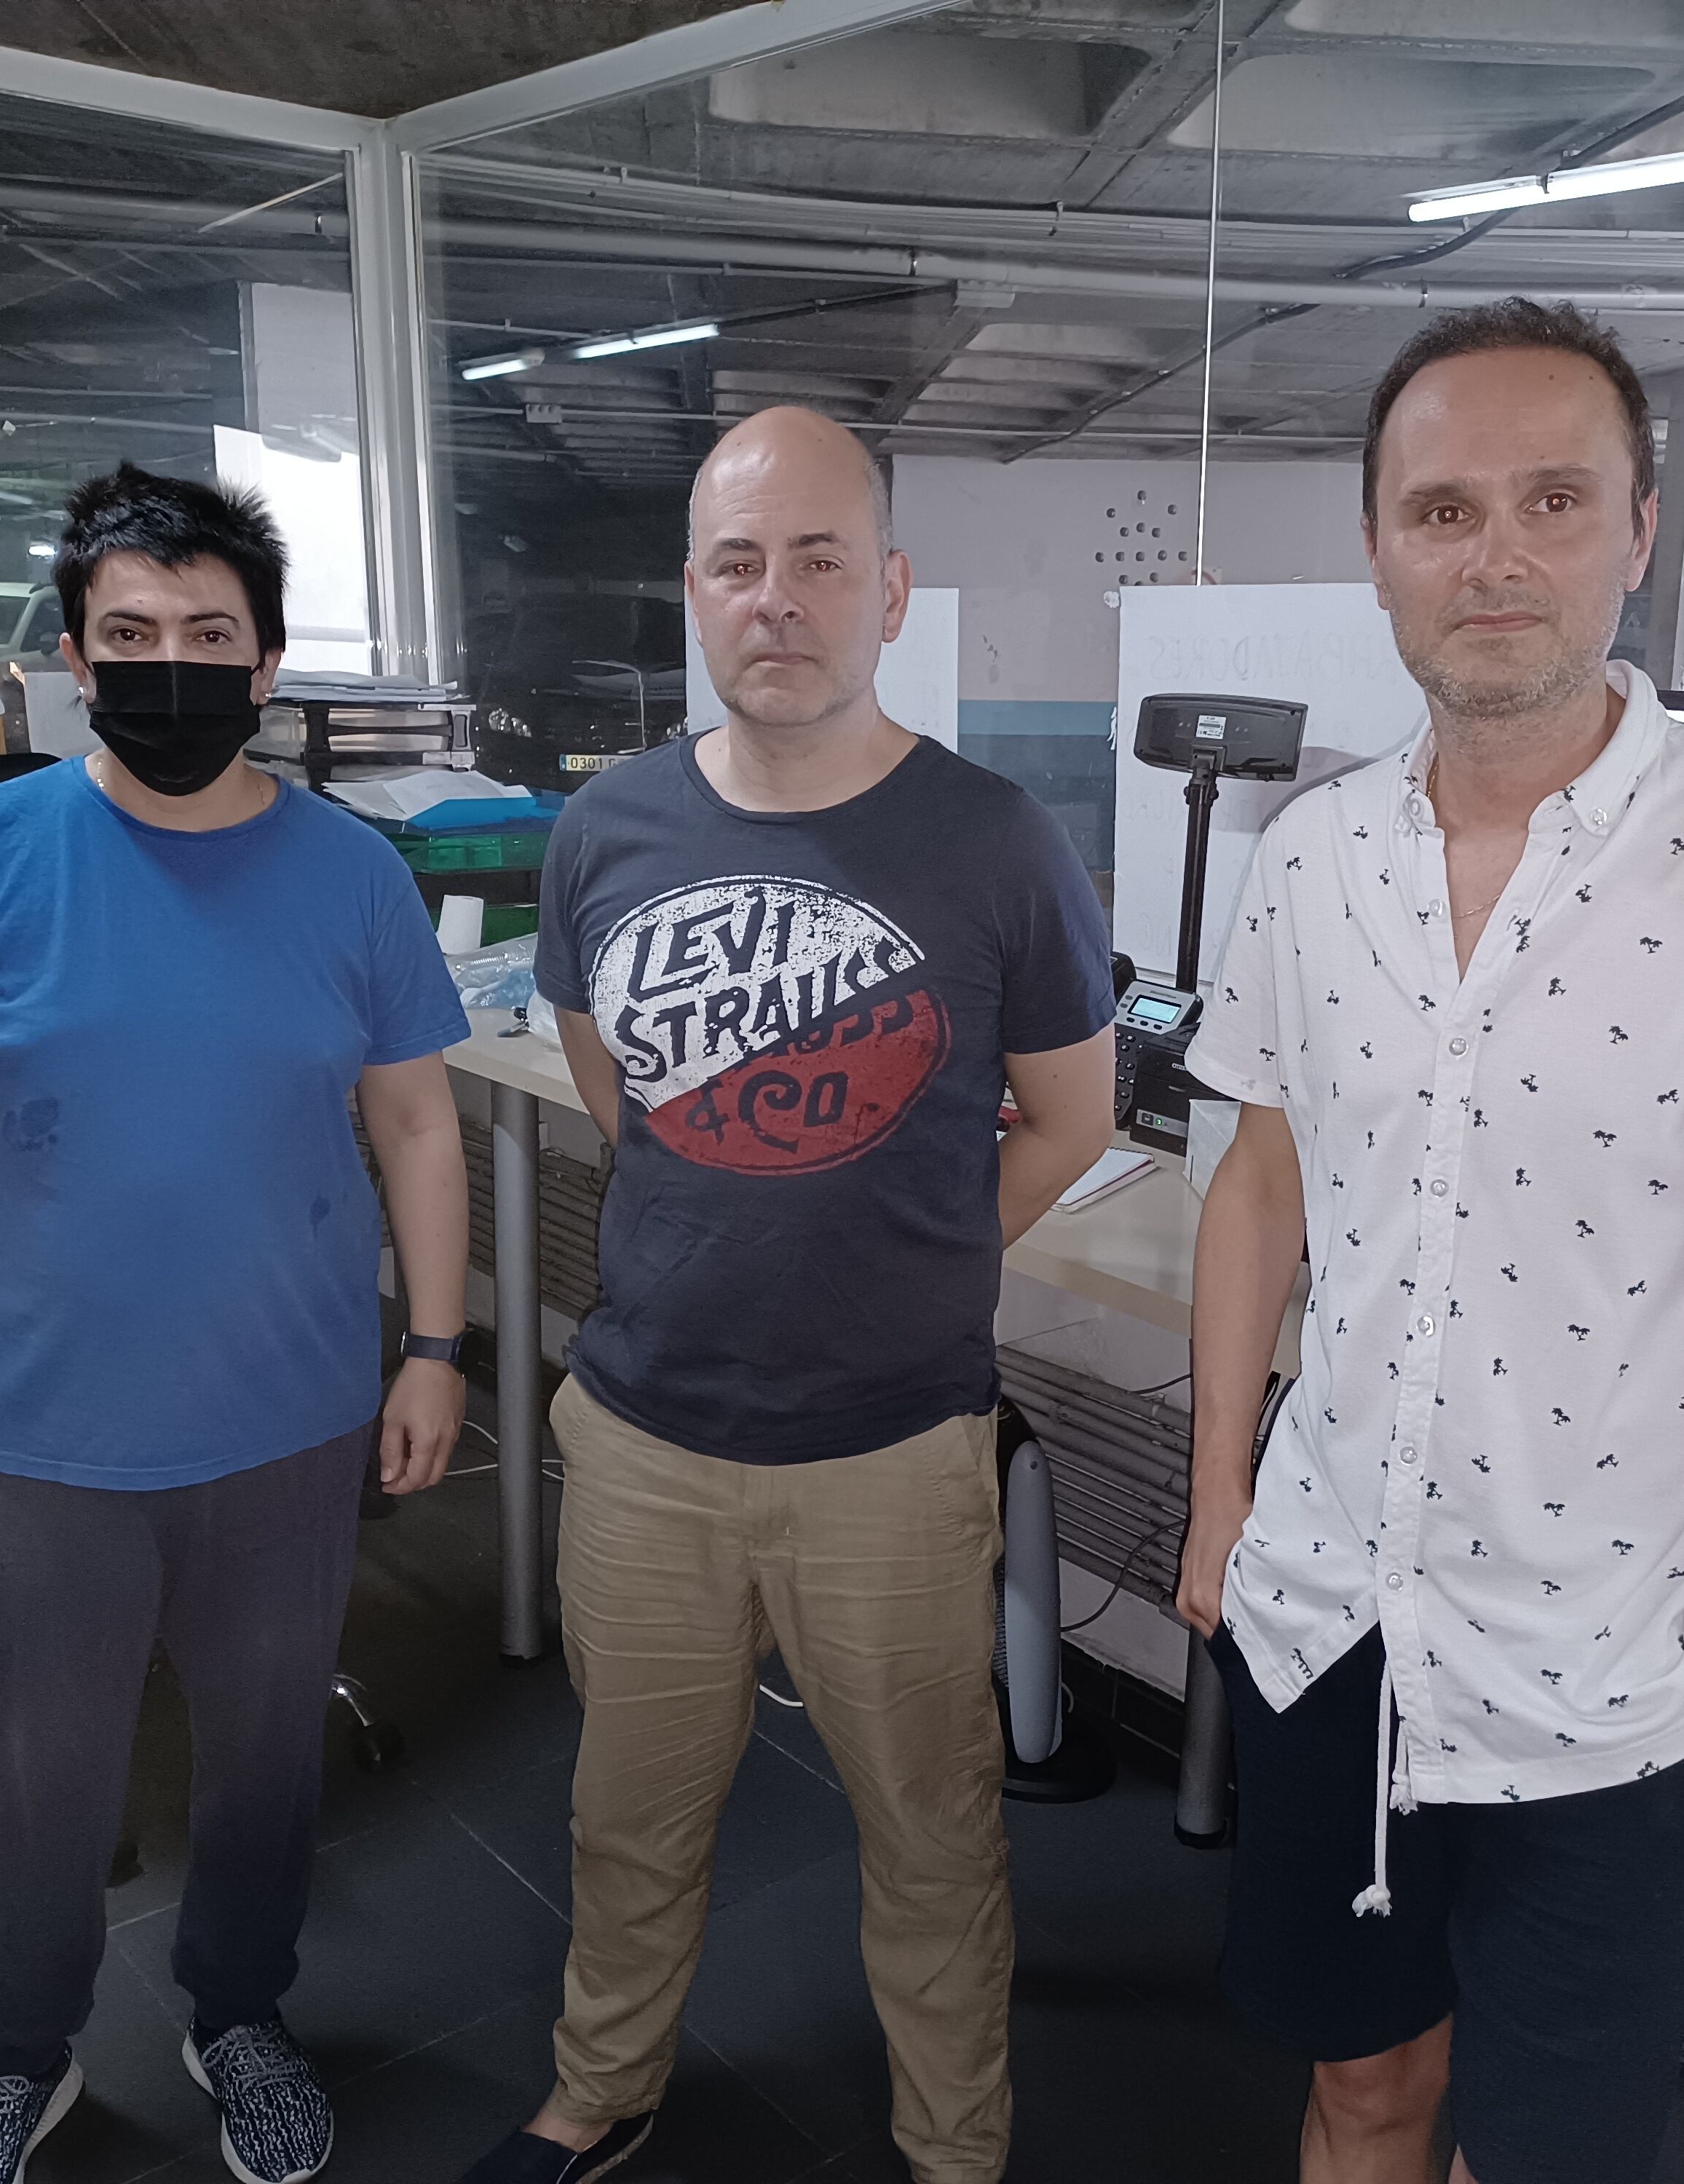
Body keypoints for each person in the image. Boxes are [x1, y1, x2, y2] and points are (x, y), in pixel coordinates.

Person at [1175, 298, 1684, 2184]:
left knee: (1555, 2154)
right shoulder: (1311, 857)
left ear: (1639, 534)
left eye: (1551, 499)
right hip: (1330, 1626)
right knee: (1360, 2094)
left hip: (1627, 1675)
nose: (1494, 554)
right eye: (1441, 511)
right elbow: (1258, 1190)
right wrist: (1216, 1513)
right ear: (1376, 553)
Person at [456, 407, 1118, 2184]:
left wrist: (909, 1245)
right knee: (629, 1812)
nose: (777, 597)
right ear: (693, 593)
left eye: (819, 557)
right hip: (647, 1432)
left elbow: (1074, 1113)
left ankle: (952, 2148)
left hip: (892, 1449)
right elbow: (621, 1093)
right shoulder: (606, 827)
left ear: (890, 590)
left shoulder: (992, 842)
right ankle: (599, 2086)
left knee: (929, 1832)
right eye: (738, 563)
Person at [0, 465, 474, 2184]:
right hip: (46, 1423)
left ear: (266, 666)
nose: (171, 665)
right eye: (132, 634)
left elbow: (416, 1123)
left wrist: (435, 1347)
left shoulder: (349, 875)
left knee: (264, 1760)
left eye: (210, 635)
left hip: (291, 1408)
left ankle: (239, 2012)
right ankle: (19, 2057)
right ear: (73, 653)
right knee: (40, 1779)